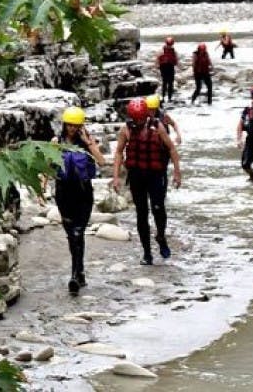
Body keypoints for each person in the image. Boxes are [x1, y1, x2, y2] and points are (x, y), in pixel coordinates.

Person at [112, 98, 182, 265]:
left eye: (141, 118)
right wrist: (115, 177)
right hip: (137, 176)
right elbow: (119, 153)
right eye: (135, 118)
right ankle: (147, 253)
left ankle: (161, 235)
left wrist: (177, 173)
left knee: (158, 209)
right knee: (141, 214)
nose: (138, 121)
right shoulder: (126, 130)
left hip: (156, 175)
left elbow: (171, 148)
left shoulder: (157, 127)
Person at [52, 106, 106, 294]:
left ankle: (74, 276)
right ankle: (80, 271)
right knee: (72, 236)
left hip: (83, 193)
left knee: (78, 233)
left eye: (77, 126)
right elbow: (48, 166)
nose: (73, 129)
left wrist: (88, 143)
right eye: (70, 126)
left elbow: (101, 162)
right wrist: (41, 189)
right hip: (64, 193)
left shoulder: (88, 143)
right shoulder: (56, 142)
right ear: (65, 125)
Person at [156, 36, 179, 103]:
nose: (169, 45)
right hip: (164, 67)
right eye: (169, 44)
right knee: (165, 82)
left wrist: (177, 64)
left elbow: (176, 59)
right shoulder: (162, 50)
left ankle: (169, 97)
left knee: (170, 83)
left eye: (170, 44)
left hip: (170, 66)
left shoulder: (173, 51)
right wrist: (157, 66)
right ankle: (163, 97)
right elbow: (157, 58)